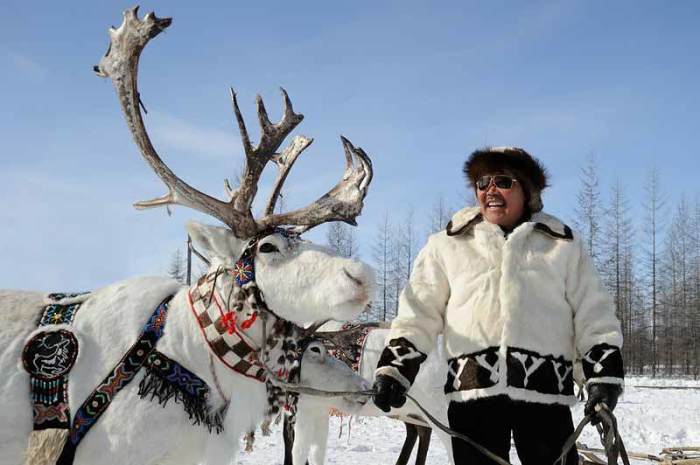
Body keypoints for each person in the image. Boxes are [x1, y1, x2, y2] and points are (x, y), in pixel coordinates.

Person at [372, 147, 624, 465]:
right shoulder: (447, 244)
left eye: (502, 181)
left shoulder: (562, 244)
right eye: (482, 182)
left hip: (545, 397)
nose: (490, 189)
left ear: (527, 190)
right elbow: (417, 312)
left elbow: (594, 314)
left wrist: (602, 379)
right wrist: (395, 370)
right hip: (473, 395)